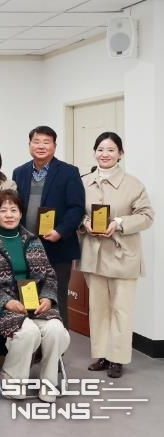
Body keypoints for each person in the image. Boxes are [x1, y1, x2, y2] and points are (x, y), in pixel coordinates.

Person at [0, 190, 69, 402]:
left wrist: (47, 298)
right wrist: (7, 302)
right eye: (3, 210)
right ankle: (12, 378)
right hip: (3, 309)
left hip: (37, 306)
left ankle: (48, 381)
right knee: (28, 332)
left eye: (13, 210)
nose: (9, 215)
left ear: (21, 213)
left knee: (56, 330)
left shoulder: (33, 240)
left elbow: (49, 275)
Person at [78, 132, 154, 378]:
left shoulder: (133, 184)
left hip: (123, 256)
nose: (105, 154)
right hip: (94, 255)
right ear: (94, 153)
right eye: (100, 149)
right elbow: (75, 211)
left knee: (121, 309)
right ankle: (101, 354)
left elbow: (147, 216)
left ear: (120, 154)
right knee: (98, 308)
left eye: (111, 150)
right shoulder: (83, 182)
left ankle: (118, 358)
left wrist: (119, 223)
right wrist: (85, 223)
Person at [12, 126, 85, 326]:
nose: (41, 146)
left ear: (54, 146)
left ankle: (58, 343)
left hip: (57, 247)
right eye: (36, 141)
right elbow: (14, 207)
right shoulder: (19, 172)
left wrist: (60, 231)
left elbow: (77, 208)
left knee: (56, 298)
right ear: (29, 145)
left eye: (46, 142)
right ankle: (33, 340)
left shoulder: (69, 172)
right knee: (27, 296)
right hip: (25, 247)